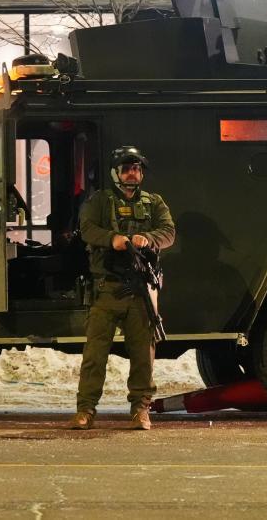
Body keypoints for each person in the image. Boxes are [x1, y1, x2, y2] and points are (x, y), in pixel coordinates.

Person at [70, 146, 175, 431]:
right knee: (95, 355)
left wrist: (147, 238)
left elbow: (168, 232)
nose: (132, 173)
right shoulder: (100, 201)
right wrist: (112, 239)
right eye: (127, 168)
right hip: (107, 289)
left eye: (137, 168)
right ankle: (86, 409)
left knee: (143, 354)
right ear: (116, 172)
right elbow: (87, 228)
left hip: (139, 291)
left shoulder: (154, 202)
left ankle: (141, 409)